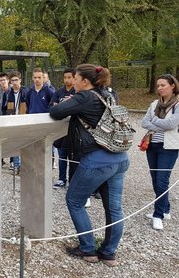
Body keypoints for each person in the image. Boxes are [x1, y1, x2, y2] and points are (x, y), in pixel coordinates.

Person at [49, 64, 129, 267]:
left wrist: (69, 102)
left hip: (96, 160)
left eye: (75, 78)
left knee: (74, 201)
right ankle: (109, 253)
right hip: (119, 158)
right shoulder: (107, 94)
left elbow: (56, 111)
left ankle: (87, 249)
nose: (72, 81)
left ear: (85, 81)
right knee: (114, 209)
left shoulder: (85, 96)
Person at [141, 74, 179, 230]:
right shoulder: (154, 104)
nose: (160, 88)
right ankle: (165, 209)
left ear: (172, 86)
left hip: (168, 147)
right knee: (155, 179)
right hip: (152, 145)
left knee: (162, 181)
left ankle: (158, 215)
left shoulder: (177, 104)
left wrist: (154, 121)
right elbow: (144, 122)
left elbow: (171, 123)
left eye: (163, 85)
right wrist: (161, 124)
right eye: (158, 86)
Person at [51, 68, 77, 189]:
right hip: (60, 129)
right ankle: (61, 179)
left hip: (72, 129)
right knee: (61, 156)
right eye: (65, 77)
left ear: (74, 78)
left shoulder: (77, 92)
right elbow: (52, 106)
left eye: (69, 77)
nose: (67, 80)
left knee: (72, 157)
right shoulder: (59, 92)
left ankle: (72, 180)